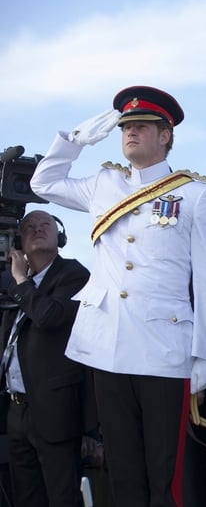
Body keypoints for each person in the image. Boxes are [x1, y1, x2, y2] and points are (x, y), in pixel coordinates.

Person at [29, 86, 206, 507]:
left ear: (166, 135)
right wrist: (74, 140)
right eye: (125, 127)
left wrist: (205, 355)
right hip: (108, 346)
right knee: (122, 472)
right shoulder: (105, 182)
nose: (130, 133)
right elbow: (43, 182)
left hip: (165, 351)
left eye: (141, 126)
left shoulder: (194, 194)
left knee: (166, 475)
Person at [0, 210, 91, 506]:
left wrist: (19, 281)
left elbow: (49, 316)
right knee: (26, 498)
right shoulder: (16, 286)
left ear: (59, 236)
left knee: (62, 498)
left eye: (45, 225)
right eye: (28, 227)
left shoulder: (73, 274)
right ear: (19, 242)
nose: (37, 229)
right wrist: (19, 282)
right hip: (17, 410)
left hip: (55, 411)